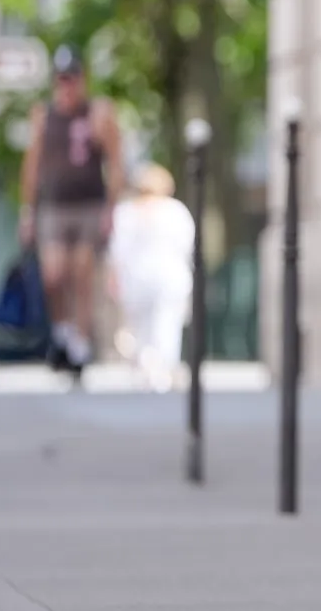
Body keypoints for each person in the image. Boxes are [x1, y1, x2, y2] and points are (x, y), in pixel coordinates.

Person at [18, 47, 122, 376]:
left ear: (82, 80)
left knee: (83, 269)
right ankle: (62, 332)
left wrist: (111, 209)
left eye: (72, 79)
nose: (67, 87)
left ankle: (80, 341)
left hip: (89, 202)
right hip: (54, 204)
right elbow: (32, 165)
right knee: (53, 272)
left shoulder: (98, 114)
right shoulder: (44, 117)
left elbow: (116, 162)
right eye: (61, 80)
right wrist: (27, 210)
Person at [109, 163, 196, 392]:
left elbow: (118, 251)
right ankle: (162, 370)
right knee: (166, 326)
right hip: (169, 276)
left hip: (137, 277)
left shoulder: (126, 212)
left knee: (141, 328)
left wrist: (115, 279)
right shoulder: (176, 211)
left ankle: (147, 368)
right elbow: (186, 246)